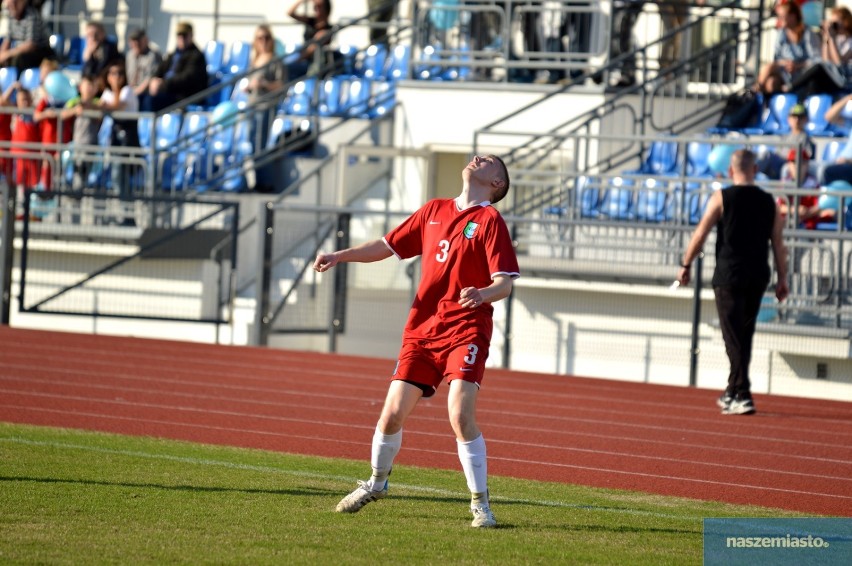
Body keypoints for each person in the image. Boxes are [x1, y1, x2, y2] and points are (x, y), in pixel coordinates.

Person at [314, 154, 519, 528]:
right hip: (422, 331)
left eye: (490, 162)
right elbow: (386, 247)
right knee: (391, 414)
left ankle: (481, 505)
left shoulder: (490, 220)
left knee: (459, 413)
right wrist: (339, 256)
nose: (479, 159)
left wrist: (483, 294)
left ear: (497, 185)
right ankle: (377, 484)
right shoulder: (433, 210)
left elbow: (504, 282)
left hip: (466, 328)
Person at [677, 149, 788, 416]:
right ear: (755, 169)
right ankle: (732, 391)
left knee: (732, 336)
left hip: (729, 274)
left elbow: (700, 233)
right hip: (758, 274)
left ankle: (743, 393)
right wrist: (783, 278)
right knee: (744, 335)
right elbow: (778, 243)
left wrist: (686, 264)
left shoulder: (722, 197)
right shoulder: (768, 201)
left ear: (730, 171)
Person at [99, 60, 139, 222]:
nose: (116, 77)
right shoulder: (108, 93)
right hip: (116, 140)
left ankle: (128, 216)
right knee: (116, 178)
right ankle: (122, 214)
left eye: (120, 74)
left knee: (122, 178)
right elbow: (101, 106)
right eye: (113, 73)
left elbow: (116, 106)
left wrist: (115, 88)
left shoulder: (127, 91)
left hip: (128, 142)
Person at [757, 1, 820, 94]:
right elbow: (777, 58)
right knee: (771, 82)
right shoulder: (781, 33)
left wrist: (797, 65)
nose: (779, 19)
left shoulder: (808, 34)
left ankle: (754, 93)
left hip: (802, 74)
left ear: (793, 16)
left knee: (770, 71)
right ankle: (757, 93)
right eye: (779, 16)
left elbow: (817, 60)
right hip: (784, 73)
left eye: (782, 16)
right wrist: (785, 64)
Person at [145, 21, 208, 111]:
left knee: (151, 100)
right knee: (141, 97)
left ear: (191, 36)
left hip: (183, 96)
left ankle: (150, 125)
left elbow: (187, 78)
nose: (182, 38)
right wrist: (154, 81)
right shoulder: (172, 55)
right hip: (168, 92)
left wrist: (163, 83)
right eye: (179, 36)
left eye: (185, 35)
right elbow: (159, 71)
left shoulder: (196, 56)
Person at [60, 73, 101, 190]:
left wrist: (89, 107)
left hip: (91, 144)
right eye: (87, 85)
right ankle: (76, 197)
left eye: (91, 85)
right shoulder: (75, 102)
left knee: (87, 177)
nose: (89, 88)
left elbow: (100, 115)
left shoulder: (97, 102)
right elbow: (63, 114)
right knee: (78, 175)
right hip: (78, 144)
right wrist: (74, 111)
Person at [0, 0, 56, 73]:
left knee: (18, 59)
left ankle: (18, 81)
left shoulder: (32, 16)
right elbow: (7, 40)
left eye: (15, 3)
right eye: (10, 5)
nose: (13, 7)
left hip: (40, 52)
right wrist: (2, 54)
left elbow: (30, 45)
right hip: (20, 51)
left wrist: (8, 54)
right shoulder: (12, 16)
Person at [287, 0, 332, 78]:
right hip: (304, 58)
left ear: (326, 9)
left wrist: (298, 60)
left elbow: (312, 48)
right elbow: (290, 13)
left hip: (313, 62)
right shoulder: (310, 21)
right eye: (315, 6)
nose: (316, 9)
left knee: (289, 69)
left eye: (319, 6)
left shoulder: (327, 29)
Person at [125, 28, 162, 114]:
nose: (135, 44)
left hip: (145, 92)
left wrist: (134, 93)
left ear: (145, 40)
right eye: (133, 41)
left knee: (147, 102)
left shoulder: (152, 55)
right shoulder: (129, 55)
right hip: (132, 90)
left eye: (138, 40)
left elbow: (150, 78)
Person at [609, 0, 645, 88]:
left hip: (630, 4)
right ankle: (624, 72)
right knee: (619, 37)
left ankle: (628, 75)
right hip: (624, 5)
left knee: (623, 37)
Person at [821, 6, 852, 89]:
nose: (833, 25)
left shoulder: (850, 40)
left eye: (835, 23)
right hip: (836, 77)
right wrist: (826, 39)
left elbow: (839, 62)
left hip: (847, 79)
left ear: (846, 22)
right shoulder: (837, 38)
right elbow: (826, 60)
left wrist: (832, 39)